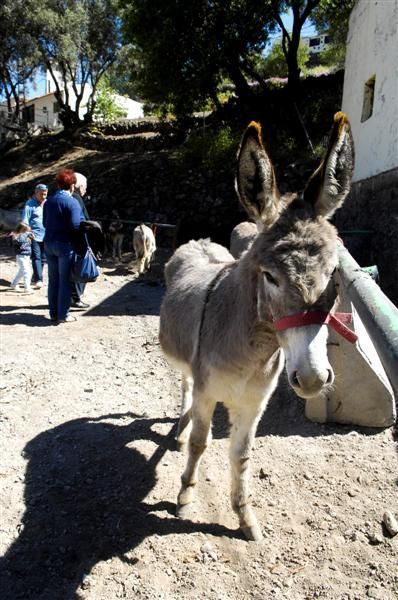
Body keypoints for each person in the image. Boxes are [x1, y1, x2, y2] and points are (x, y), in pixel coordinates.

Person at [43, 169, 84, 323]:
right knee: (65, 280)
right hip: (65, 245)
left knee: (53, 280)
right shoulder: (72, 201)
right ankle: (63, 315)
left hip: (49, 243)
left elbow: (44, 222)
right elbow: (75, 225)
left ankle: (53, 313)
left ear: (59, 184)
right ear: (72, 185)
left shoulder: (50, 201)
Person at [22, 183, 48, 288]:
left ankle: (35, 277)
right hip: (34, 235)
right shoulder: (30, 204)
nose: (43, 196)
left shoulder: (47, 203)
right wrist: (28, 232)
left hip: (47, 235)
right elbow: (25, 220)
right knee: (36, 257)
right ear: (36, 193)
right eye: (41, 194)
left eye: (45, 194)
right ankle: (38, 279)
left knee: (43, 258)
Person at [71, 172, 90, 309]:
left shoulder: (65, 197)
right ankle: (76, 298)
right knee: (81, 269)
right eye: (85, 187)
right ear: (79, 186)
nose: (86, 190)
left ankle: (73, 297)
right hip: (78, 240)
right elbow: (83, 220)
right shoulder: (76, 198)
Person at [10, 223, 35, 294]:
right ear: (22, 230)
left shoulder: (25, 235)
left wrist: (30, 236)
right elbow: (20, 243)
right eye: (26, 231)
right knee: (27, 272)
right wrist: (27, 236)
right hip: (21, 256)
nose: (28, 232)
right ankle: (27, 288)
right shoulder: (16, 236)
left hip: (26, 256)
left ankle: (13, 284)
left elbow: (32, 238)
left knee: (21, 271)